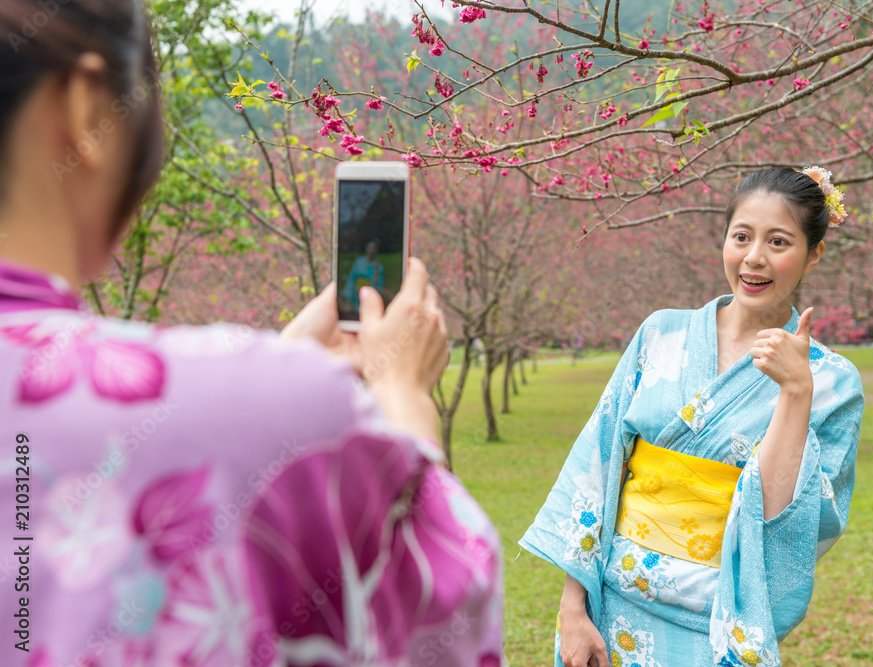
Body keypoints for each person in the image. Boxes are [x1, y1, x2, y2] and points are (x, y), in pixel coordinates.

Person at [0, 1, 502, 665]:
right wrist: (402, 400)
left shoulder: (259, 395)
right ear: (89, 110)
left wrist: (261, 387)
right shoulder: (278, 402)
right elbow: (443, 618)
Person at [520, 167, 865, 667]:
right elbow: (598, 464)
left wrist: (795, 391)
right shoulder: (661, 334)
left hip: (719, 624)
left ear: (814, 253)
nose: (754, 257)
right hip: (609, 609)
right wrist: (573, 606)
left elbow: (793, 524)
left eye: (779, 241)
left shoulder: (831, 381)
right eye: (741, 236)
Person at [342, 239, 385, 311]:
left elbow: (378, 285)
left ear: (376, 251)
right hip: (355, 295)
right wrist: (349, 298)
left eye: (373, 249)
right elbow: (351, 279)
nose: (371, 250)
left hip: (369, 297)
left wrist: (377, 271)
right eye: (370, 248)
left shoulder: (379, 266)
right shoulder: (359, 262)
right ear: (366, 249)